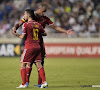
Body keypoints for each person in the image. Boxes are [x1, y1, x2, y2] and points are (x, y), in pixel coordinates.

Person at [11, 3, 74, 88]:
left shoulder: (44, 19)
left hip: (38, 44)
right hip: (32, 43)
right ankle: (28, 82)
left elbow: (55, 27)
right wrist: (15, 27)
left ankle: (38, 84)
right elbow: (19, 23)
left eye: (45, 12)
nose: (44, 14)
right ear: (39, 9)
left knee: (39, 63)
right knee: (30, 63)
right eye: (43, 12)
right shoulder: (31, 16)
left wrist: (66, 31)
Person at [11, 9, 48, 88]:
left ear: (29, 15)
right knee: (39, 65)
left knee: (22, 64)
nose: (24, 16)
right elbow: (45, 33)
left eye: (25, 14)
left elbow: (22, 36)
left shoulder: (26, 25)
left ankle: (24, 84)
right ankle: (44, 82)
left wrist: (15, 34)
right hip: (38, 47)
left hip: (29, 46)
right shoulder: (38, 24)